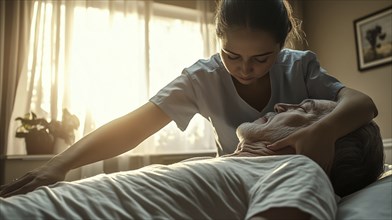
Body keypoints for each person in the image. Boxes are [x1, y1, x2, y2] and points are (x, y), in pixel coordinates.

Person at [0, 0, 378, 197]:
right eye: (233, 56)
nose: (245, 69)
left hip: (286, 178)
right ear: (218, 41)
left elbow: (363, 104)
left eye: (261, 59)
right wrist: (59, 165)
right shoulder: (203, 77)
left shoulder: (300, 66)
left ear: (282, 47)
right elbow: (134, 126)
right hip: (232, 175)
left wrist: (323, 132)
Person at [0, 99, 384, 220]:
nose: (282, 103)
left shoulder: (301, 170)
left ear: (326, 141)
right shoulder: (230, 164)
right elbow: (137, 123)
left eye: (303, 108)